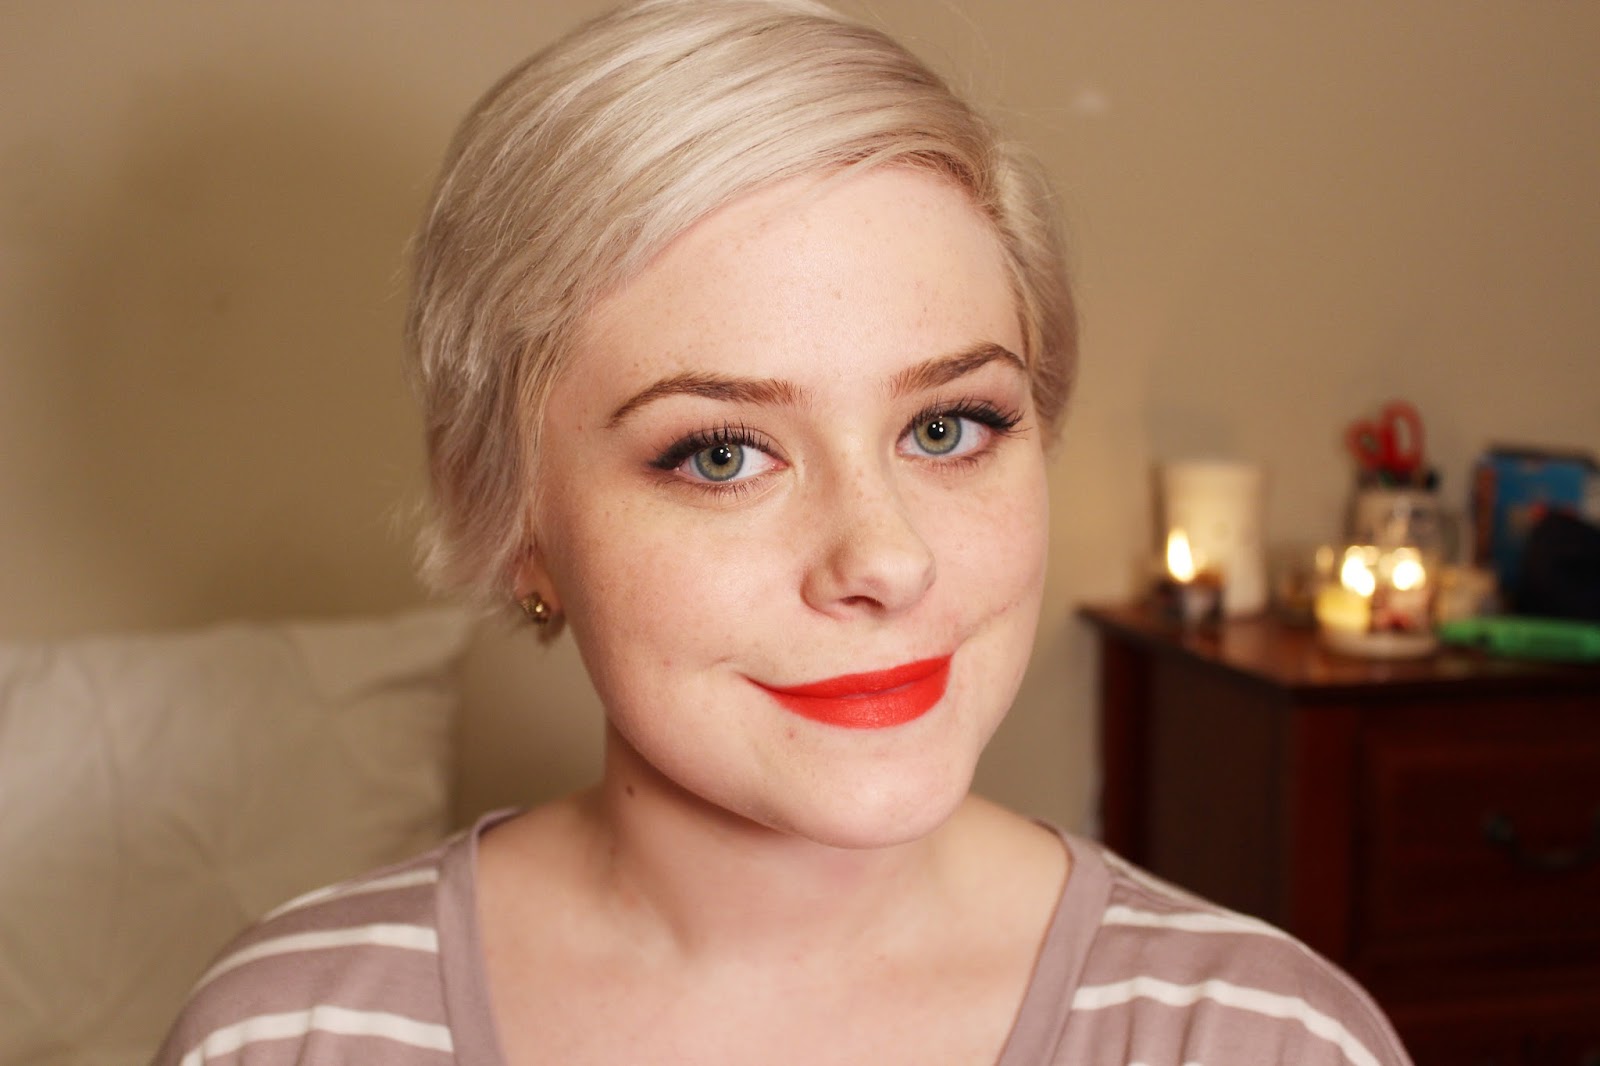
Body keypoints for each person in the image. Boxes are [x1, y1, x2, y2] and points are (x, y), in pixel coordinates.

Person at [155, 1, 1412, 1063]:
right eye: (722, 452)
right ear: (518, 522)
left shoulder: (1263, 1040)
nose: (886, 559)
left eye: (947, 427)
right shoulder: (285, 1036)